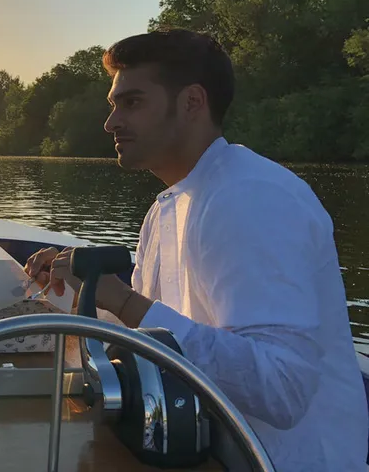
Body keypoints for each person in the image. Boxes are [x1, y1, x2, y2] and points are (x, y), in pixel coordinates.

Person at [25, 29, 368, 470]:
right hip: (202, 450)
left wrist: (124, 301)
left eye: (131, 102)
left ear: (191, 102)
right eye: (114, 105)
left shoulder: (252, 198)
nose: (110, 123)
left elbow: (283, 389)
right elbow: (159, 332)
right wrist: (83, 282)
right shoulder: (170, 204)